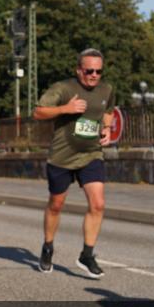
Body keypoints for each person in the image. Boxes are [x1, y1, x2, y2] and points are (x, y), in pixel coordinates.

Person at [33, 48, 116, 279]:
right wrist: (65, 109)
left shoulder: (106, 89)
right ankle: (48, 246)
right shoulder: (63, 88)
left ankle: (87, 255)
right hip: (62, 156)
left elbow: (108, 110)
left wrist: (107, 129)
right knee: (56, 205)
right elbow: (38, 112)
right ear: (78, 69)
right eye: (89, 70)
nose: (94, 75)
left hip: (91, 154)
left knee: (98, 204)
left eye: (98, 71)